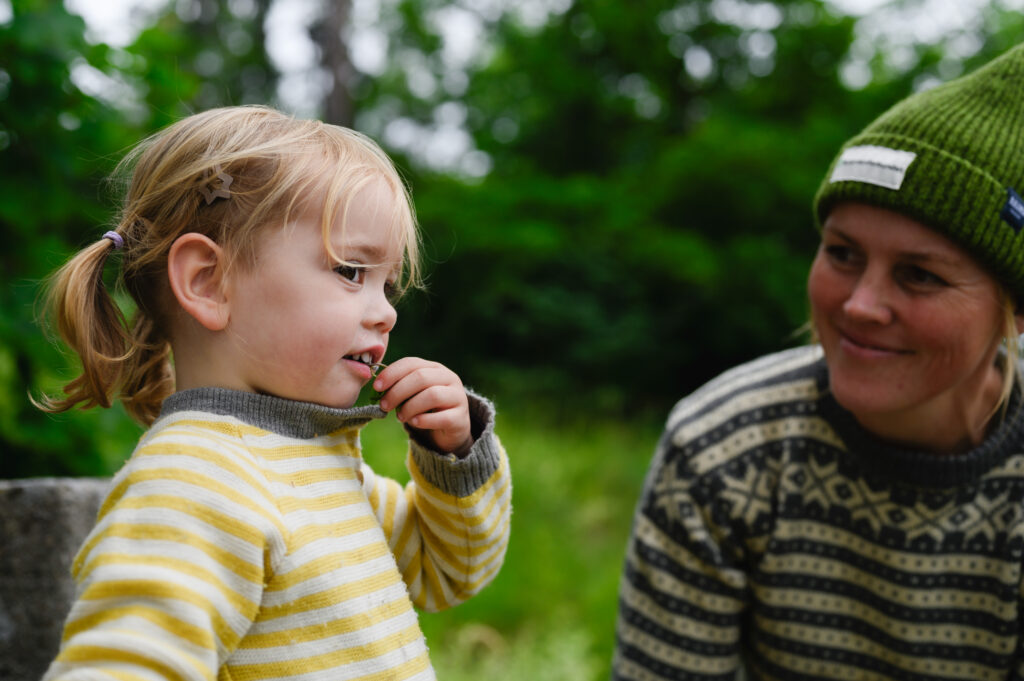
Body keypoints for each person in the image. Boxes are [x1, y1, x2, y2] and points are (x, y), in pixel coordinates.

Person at [36, 105, 511, 681]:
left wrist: (453, 456)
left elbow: (448, 570)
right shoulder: (198, 480)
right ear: (209, 281)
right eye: (351, 270)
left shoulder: (318, 464)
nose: (386, 312)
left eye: (389, 286)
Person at [613, 43, 1024, 681]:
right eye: (842, 253)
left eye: (918, 275)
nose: (860, 306)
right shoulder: (722, 448)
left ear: (1014, 311)